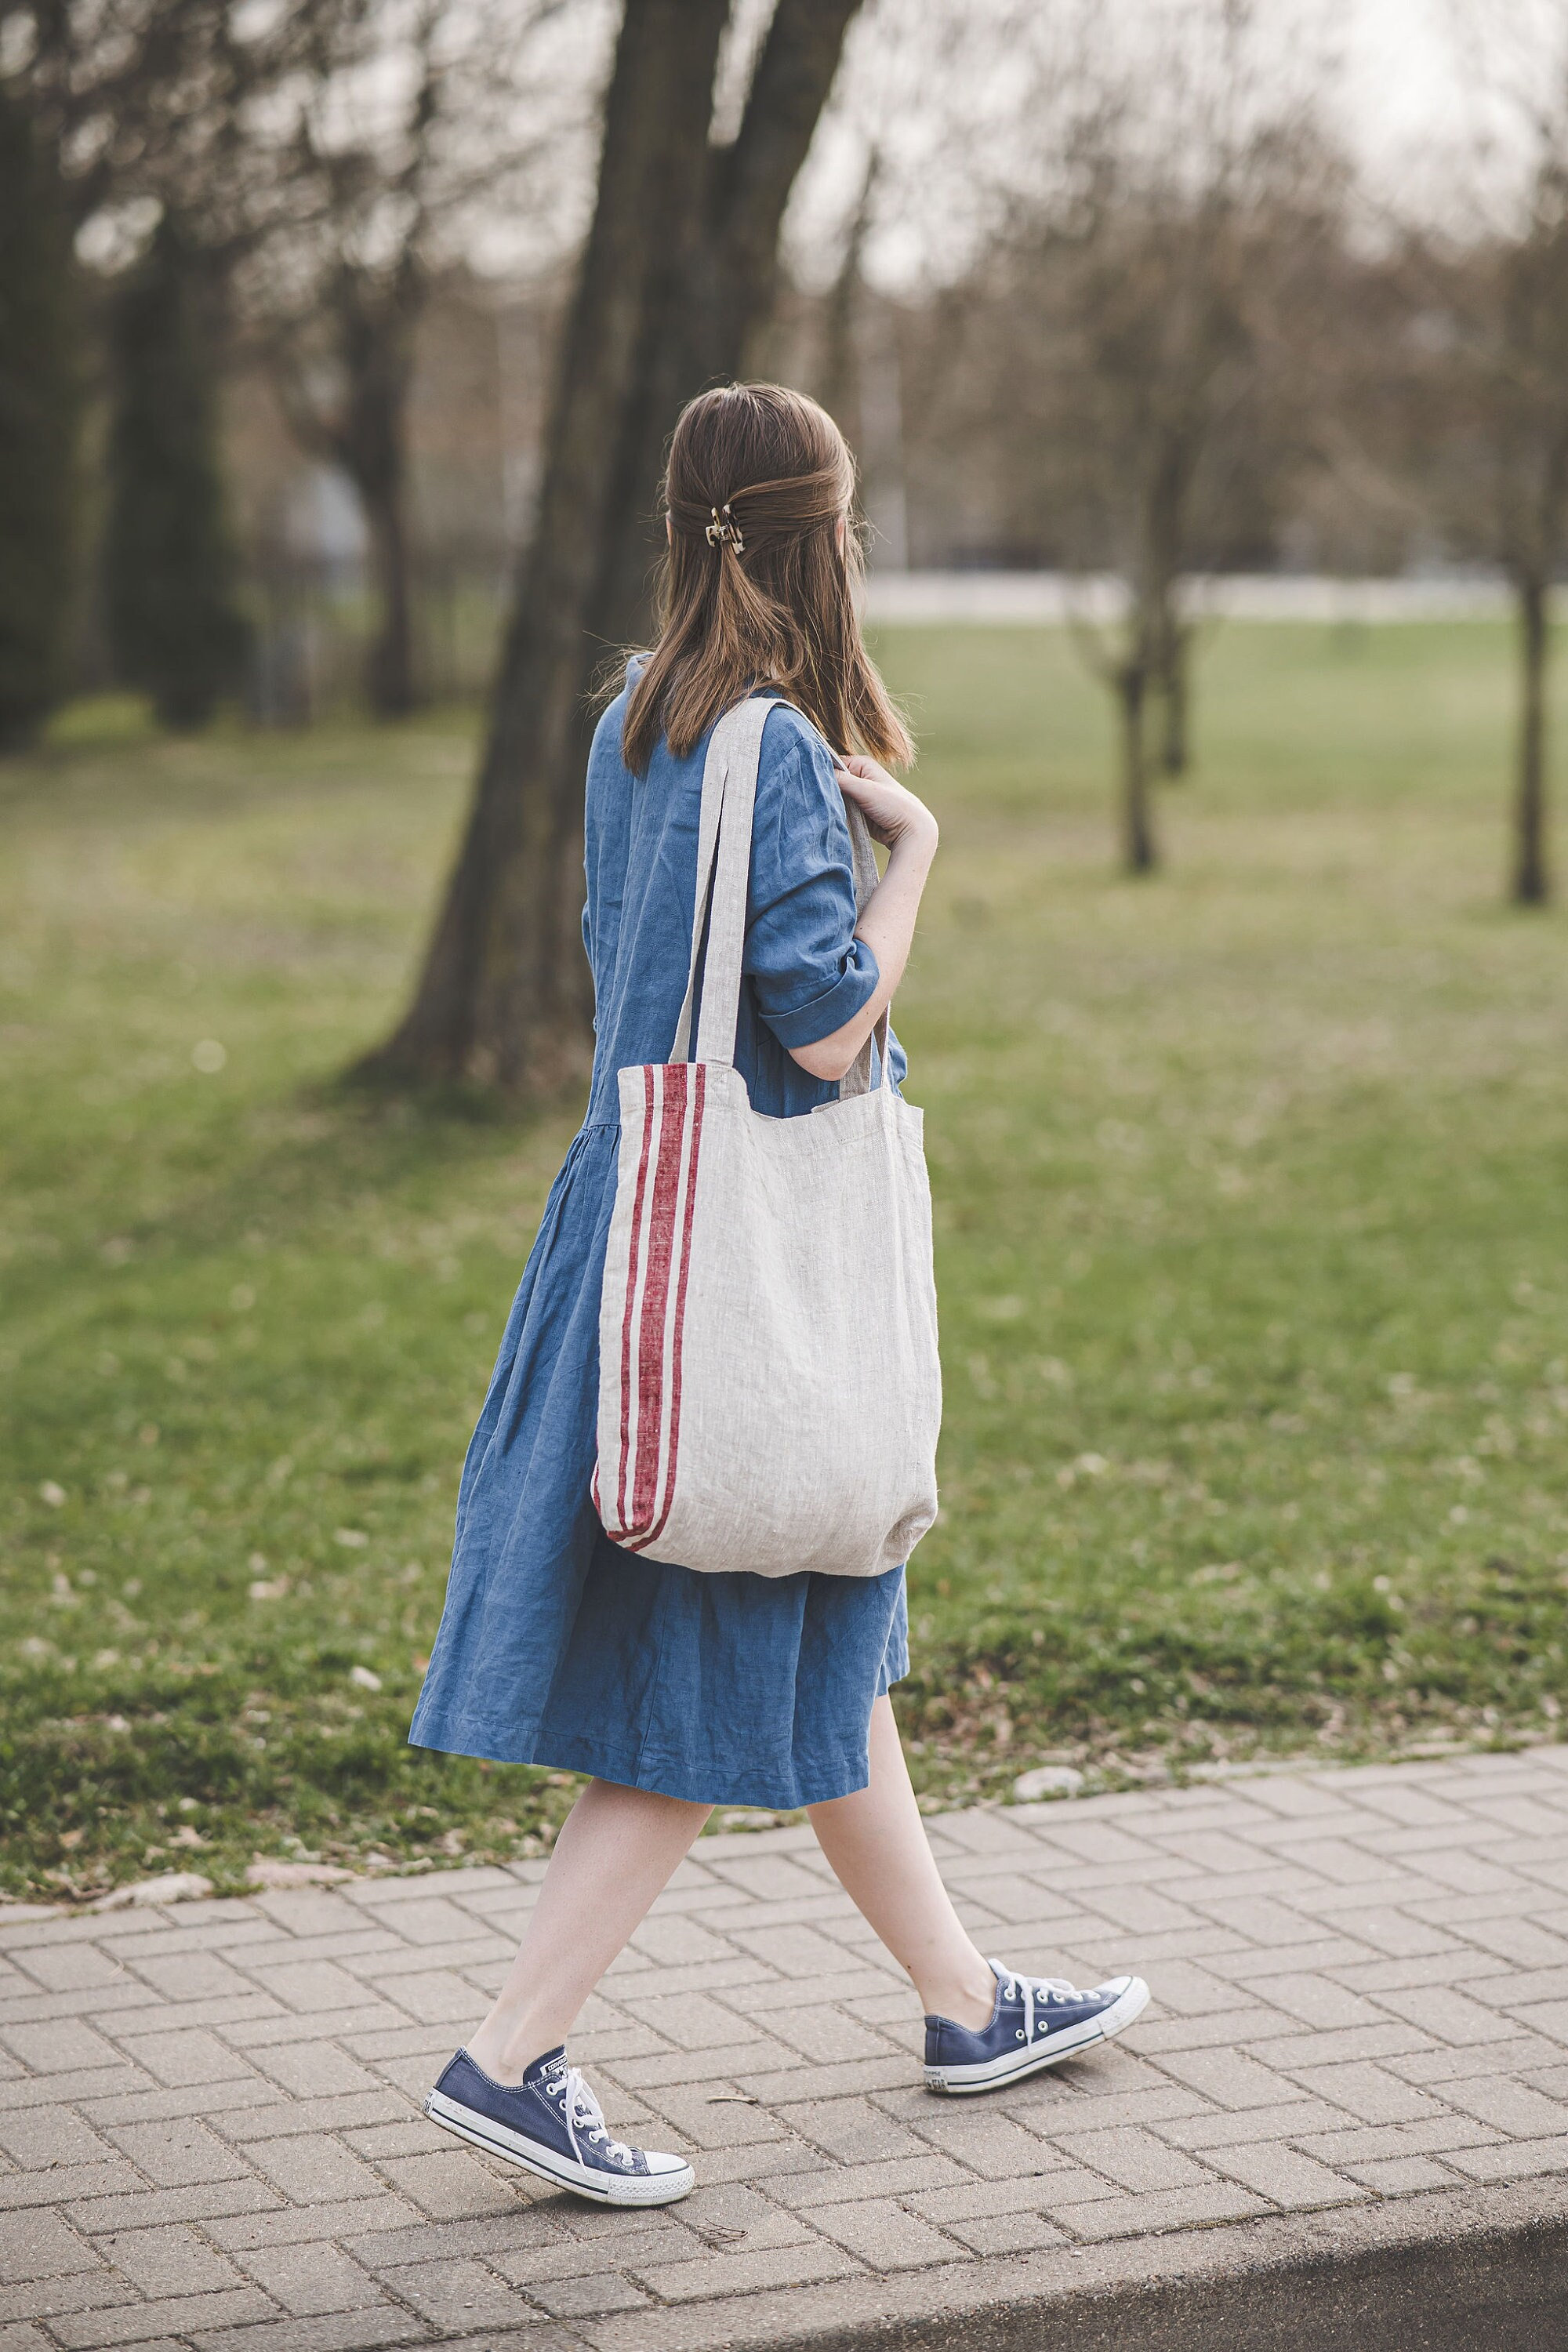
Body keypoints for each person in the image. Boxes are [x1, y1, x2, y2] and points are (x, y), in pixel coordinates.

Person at [411, 383, 1149, 2207]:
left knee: (819, 1640)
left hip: (638, 1232)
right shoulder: (782, 758)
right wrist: (917, 858)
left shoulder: (628, 734)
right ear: (829, 540)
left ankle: (966, 2003)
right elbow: (822, 1032)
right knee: (706, 1680)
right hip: (744, 1274)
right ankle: (510, 2056)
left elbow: (647, 977)